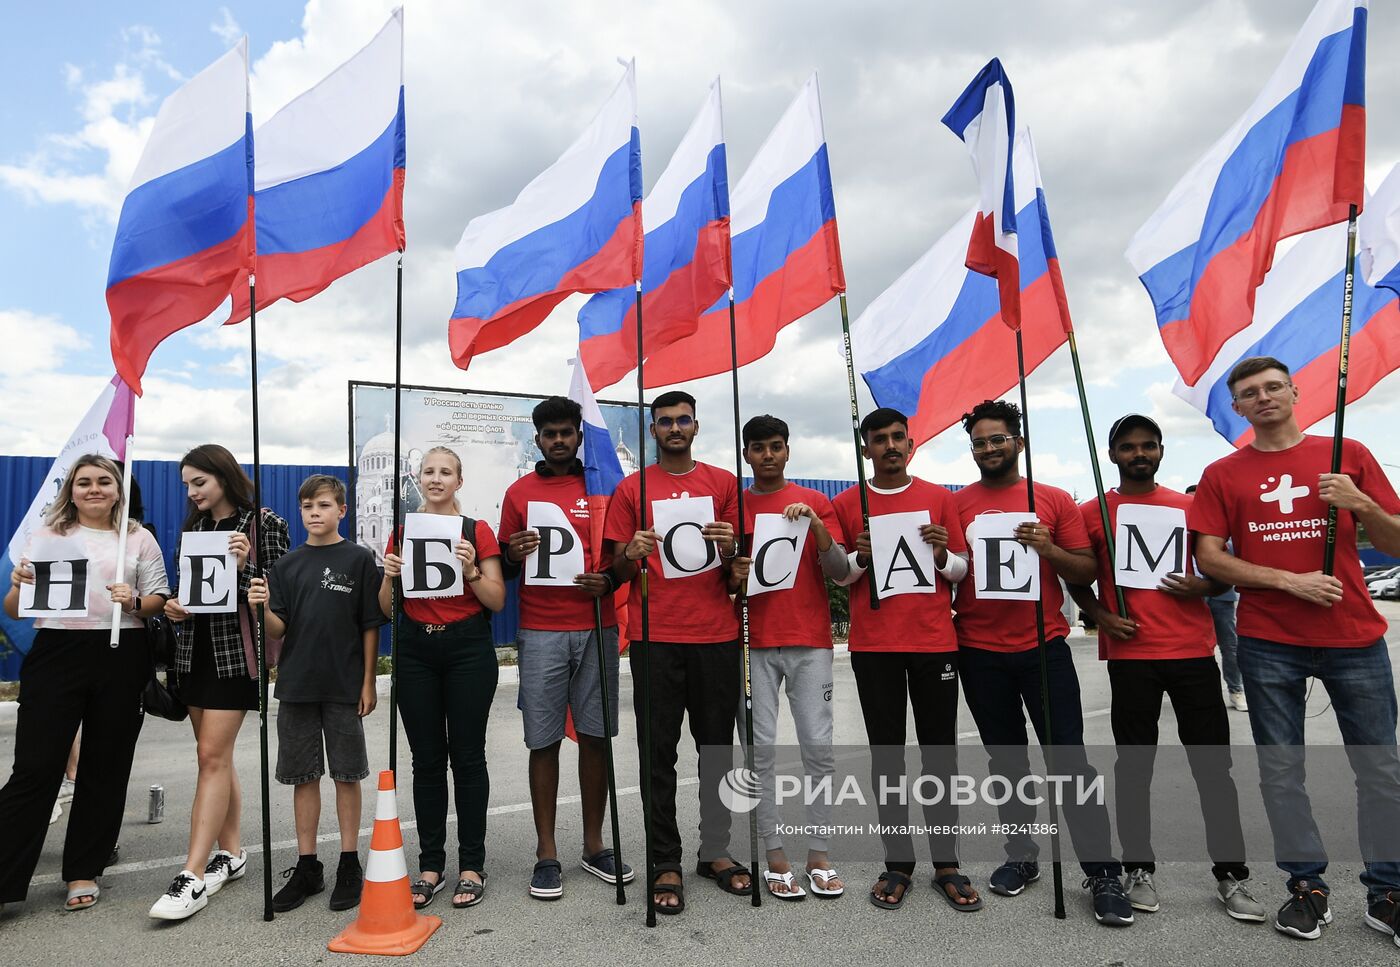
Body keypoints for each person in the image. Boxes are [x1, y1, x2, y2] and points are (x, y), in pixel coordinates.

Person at [1190, 356, 1400, 946]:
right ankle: (1306, 888)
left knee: (1381, 770)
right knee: (1282, 774)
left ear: (1296, 392)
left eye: (1273, 387)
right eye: (1250, 393)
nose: (1264, 398)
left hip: (1353, 636)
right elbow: (1210, 557)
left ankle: (1387, 891)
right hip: (1267, 641)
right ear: (1238, 407)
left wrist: (1359, 504)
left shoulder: (1347, 454)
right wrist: (1288, 581)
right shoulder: (1223, 473)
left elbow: (1395, 539)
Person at [1067, 414, 1263, 922]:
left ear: (1160, 451)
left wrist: (1205, 588)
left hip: (1193, 656)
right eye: (1128, 446)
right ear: (1112, 454)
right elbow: (1076, 578)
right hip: (1132, 660)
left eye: (1148, 446)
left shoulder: (1190, 507)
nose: (1139, 453)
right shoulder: (1094, 512)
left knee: (1214, 771)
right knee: (1134, 770)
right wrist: (1101, 615)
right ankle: (1138, 869)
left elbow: (1219, 575)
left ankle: (1231, 875)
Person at [953, 399, 1132, 926]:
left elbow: (1086, 570)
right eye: (979, 442)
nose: (988, 449)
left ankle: (1102, 870)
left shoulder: (1052, 499)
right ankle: (1022, 854)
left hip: (1043, 648)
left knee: (1068, 762)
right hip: (980, 652)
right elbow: (950, 568)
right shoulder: (957, 503)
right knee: (1006, 762)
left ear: (1018, 442)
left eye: (997, 440)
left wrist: (1049, 549)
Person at [0, 454, 169, 912]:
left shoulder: (137, 537)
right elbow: (17, 609)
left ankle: (82, 869)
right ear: (70, 491)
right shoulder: (49, 536)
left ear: (118, 489)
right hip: (57, 652)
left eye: (103, 482)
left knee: (105, 766)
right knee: (35, 766)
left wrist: (134, 599)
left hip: (120, 654)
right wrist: (18, 583)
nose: (93, 489)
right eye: (83, 483)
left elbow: (158, 598)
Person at [830, 408, 979, 913]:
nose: (890, 445)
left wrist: (941, 555)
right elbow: (840, 577)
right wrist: (861, 556)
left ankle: (947, 863)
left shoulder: (940, 498)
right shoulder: (848, 502)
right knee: (887, 756)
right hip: (875, 648)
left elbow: (961, 570)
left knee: (941, 754)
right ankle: (898, 862)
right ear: (866, 445)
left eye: (898, 437)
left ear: (911, 444)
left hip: (934, 642)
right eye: (879, 439)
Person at [604, 390, 748, 914]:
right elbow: (613, 570)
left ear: (696, 425)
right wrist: (631, 555)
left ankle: (716, 850)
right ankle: (665, 858)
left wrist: (731, 546)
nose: (674, 428)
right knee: (656, 754)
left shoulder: (724, 483)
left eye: (683, 419)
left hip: (716, 634)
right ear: (653, 430)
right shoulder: (632, 488)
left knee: (717, 752)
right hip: (654, 638)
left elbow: (738, 567)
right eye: (664, 421)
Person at [148, 444, 290, 920]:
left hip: (237, 658)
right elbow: (187, 589)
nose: (191, 493)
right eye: (186, 485)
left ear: (224, 477)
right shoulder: (195, 527)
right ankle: (230, 853)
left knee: (210, 756)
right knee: (215, 757)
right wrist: (172, 605)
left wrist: (248, 566)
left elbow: (282, 592)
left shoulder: (263, 523)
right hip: (193, 655)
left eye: (199, 482)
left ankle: (191, 876)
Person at [498, 398, 629, 901]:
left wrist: (609, 579)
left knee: (596, 736)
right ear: (538, 439)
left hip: (597, 627)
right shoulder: (519, 492)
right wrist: (512, 553)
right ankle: (546, 850)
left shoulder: (602, 486)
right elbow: (505, 565)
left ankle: (595, 845)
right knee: (543, 740)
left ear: (578, 435)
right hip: (540, 631)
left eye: (566, 432)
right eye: (549, 433)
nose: (558, 440)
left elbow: (623, 562)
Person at [247, 474, 385, 914]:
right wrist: (261, 606)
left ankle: (349, 862)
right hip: (297, 686)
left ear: (342, 510)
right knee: (302, 777)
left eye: (324, 505)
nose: (314, 513)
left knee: (347, 774)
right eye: (307, 506)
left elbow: (369, 624)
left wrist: (368, 681)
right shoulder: (286, 566)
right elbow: (277, 629)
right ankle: (308, 865)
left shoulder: (359, 559)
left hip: (344, 686)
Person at [727, 414, 849, 901]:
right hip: (753, 641)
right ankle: (774, 854)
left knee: (819, 750)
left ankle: (819, 854)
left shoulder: (816, 502)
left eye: (776, 446)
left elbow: (841, 572)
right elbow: (724, 580)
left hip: (810, 641)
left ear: (788, 450)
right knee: (760, 753)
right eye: (758, 448)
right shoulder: (734, 506)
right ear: (747, 455)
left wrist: (818, 527)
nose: (768, 455)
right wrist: (734, 569)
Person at [379, 446, 506, 910]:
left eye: (445, 472)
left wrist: (471, 569)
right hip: (416, 651)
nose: (436, 479)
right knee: (426, 760)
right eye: (429, 471)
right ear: (417, 478)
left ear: (459, 479)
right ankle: (430, 864)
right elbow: (385, 609)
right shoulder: (401, 532)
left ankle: (472, 864)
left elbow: (495, 599)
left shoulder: (477, 530)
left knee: (468, 757)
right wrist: (389, 575)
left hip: (467, 649)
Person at [1186, 484, 1247, 712]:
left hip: (1221, 595)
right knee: (1196, 646)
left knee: (1229, 645)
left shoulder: (1222, 536)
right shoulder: (1180, 534)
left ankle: (1236, 690)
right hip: (1191, 596)